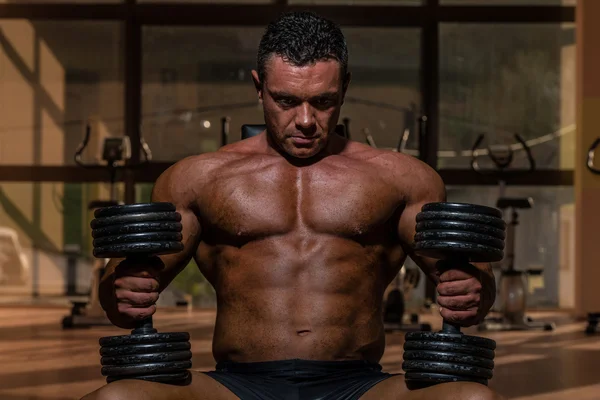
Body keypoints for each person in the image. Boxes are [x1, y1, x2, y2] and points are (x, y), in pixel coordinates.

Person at [82, 11, 503, 400]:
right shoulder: (197, 180)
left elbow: (468, 284)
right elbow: (123, 294)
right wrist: (119, 291)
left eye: (323, 101)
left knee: (473, 398)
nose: (305, 120)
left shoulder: (403, 179)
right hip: (237, 385)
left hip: (358, 385)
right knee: (117, 398)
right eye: (286, 101)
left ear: (346, 88)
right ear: (258, 87)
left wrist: (473, 290)